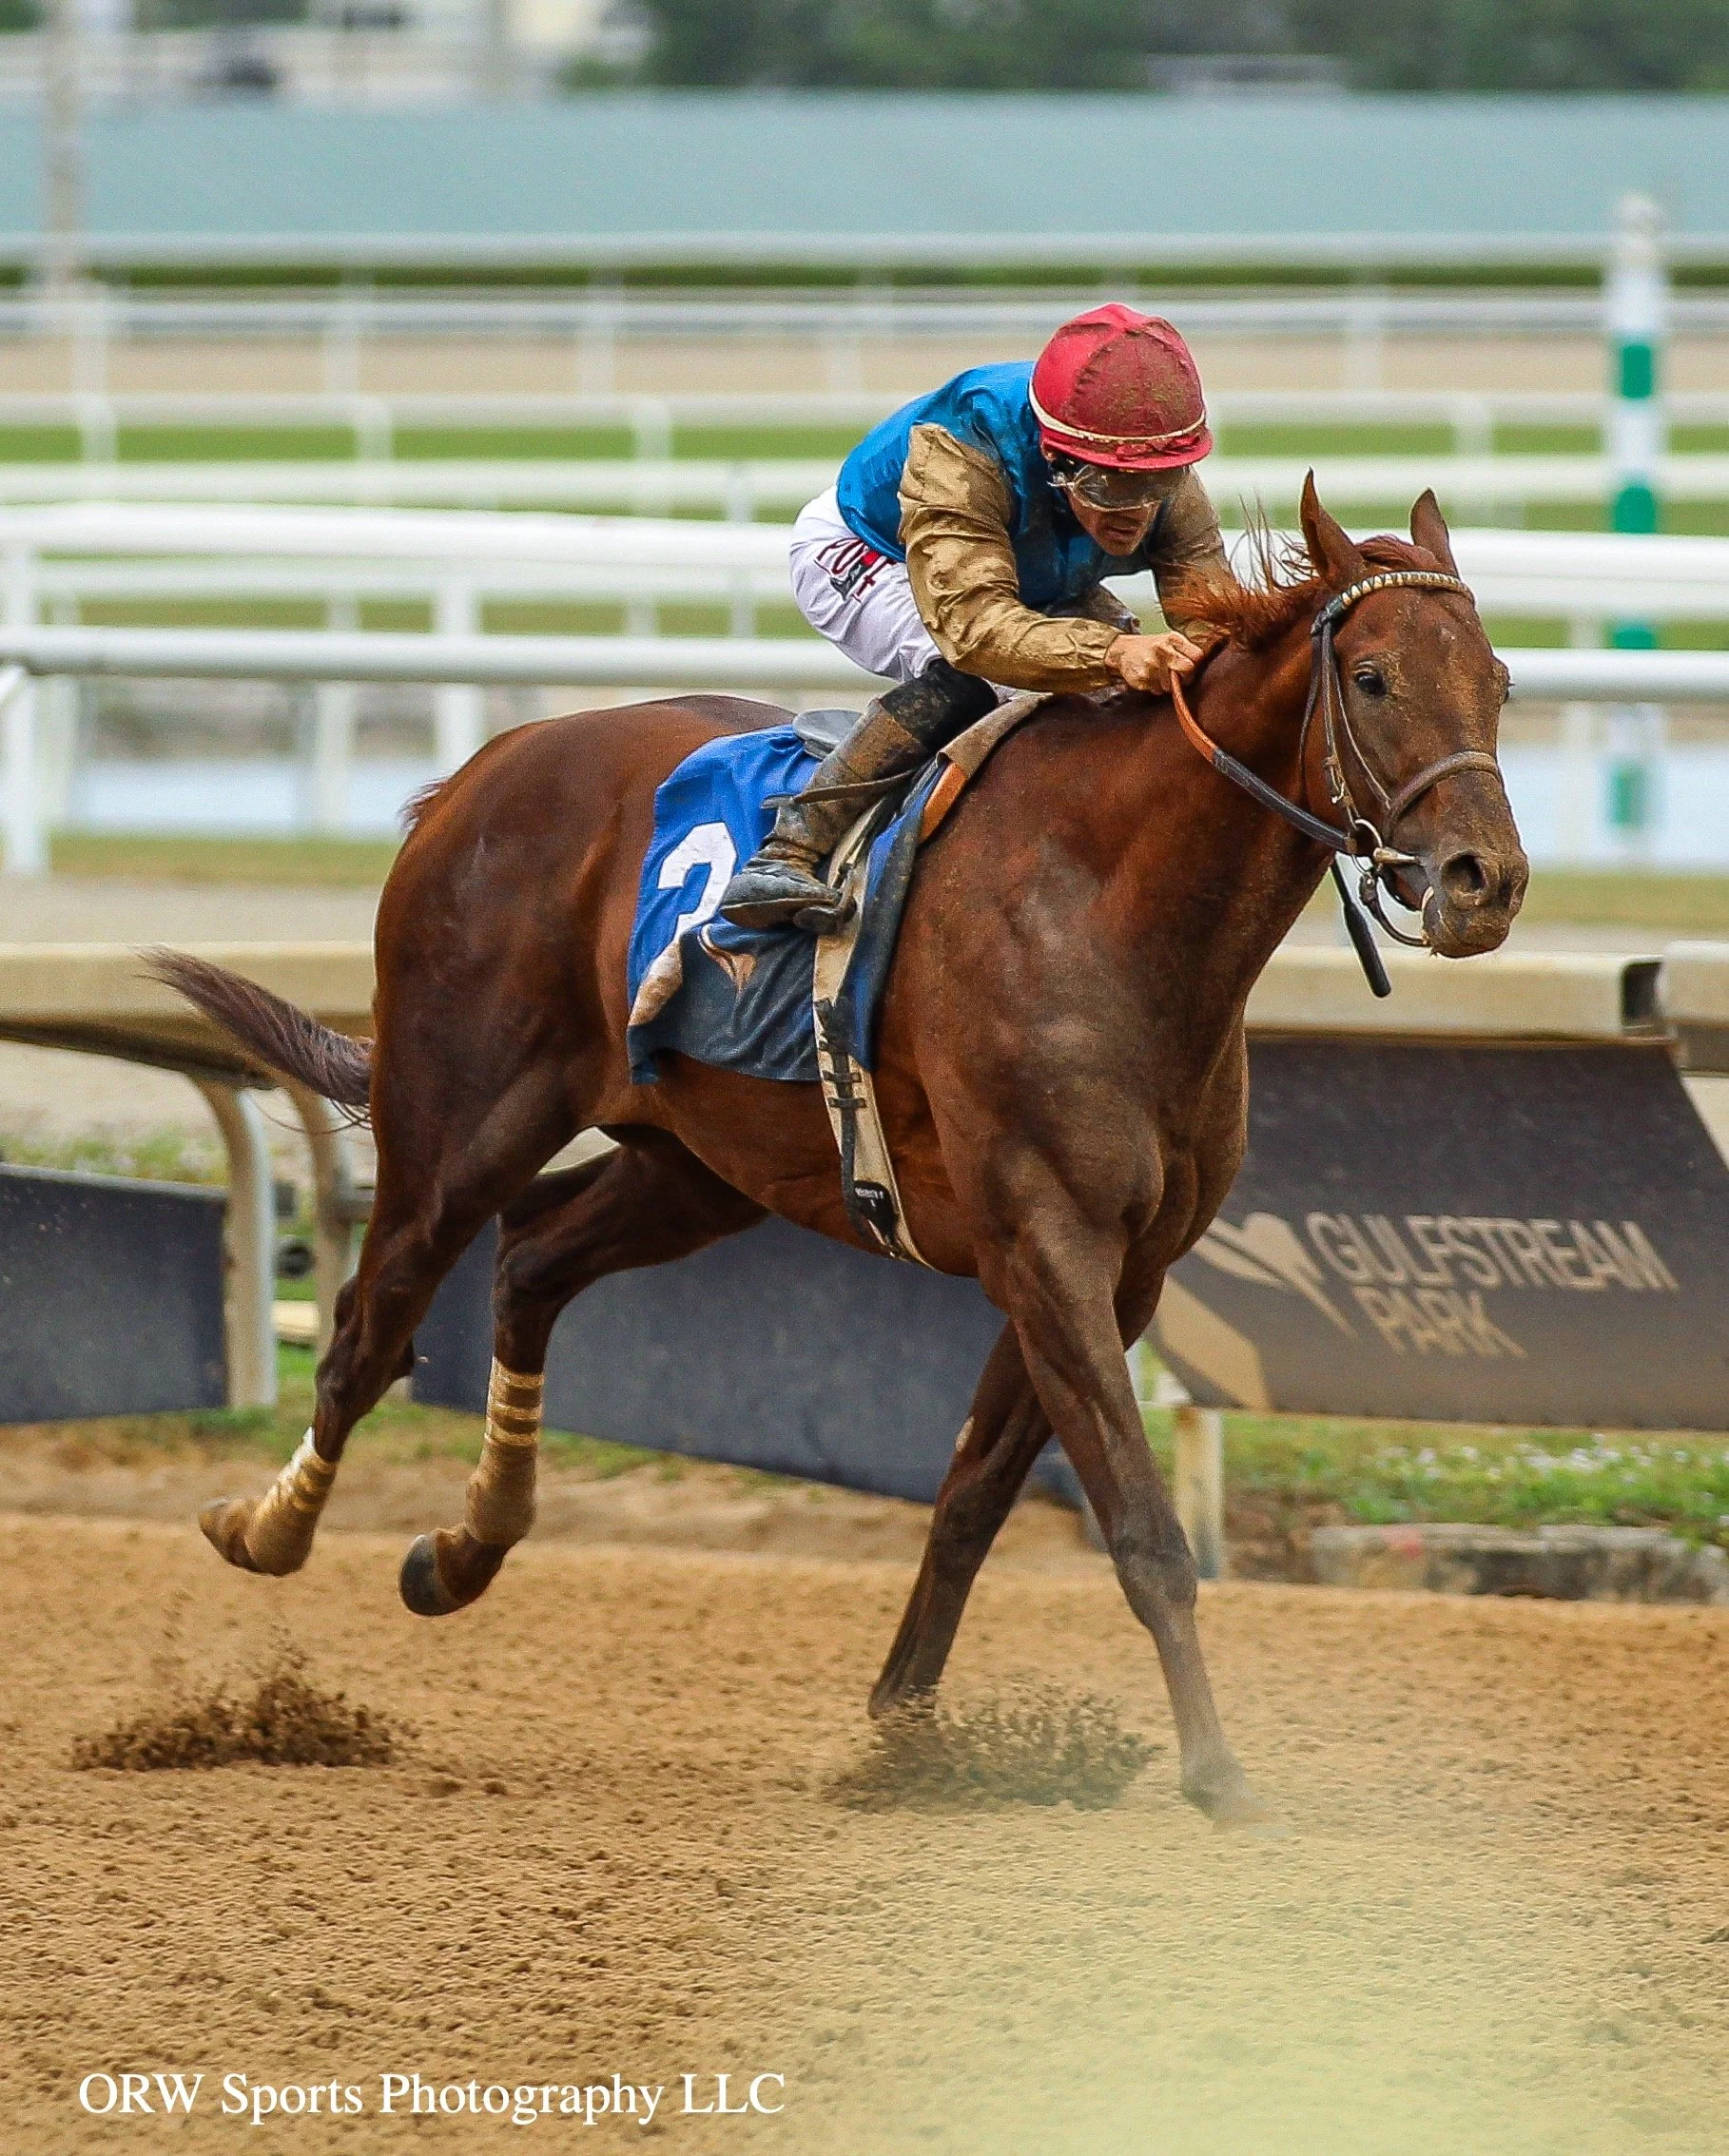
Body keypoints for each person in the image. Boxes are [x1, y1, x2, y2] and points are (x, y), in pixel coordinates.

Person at [718, 302, 1229, 933]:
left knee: (1122, 686)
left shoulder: (1148, 464)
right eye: (1110, 488)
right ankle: (789, 849)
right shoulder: (963, 444)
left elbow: (1215, 625)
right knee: (977, 679)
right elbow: (976, 632)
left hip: (1016, 561)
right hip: (871, 549)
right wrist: (1113, 653)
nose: (1137, 513)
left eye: (1157, 485)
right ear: (1057, 458)